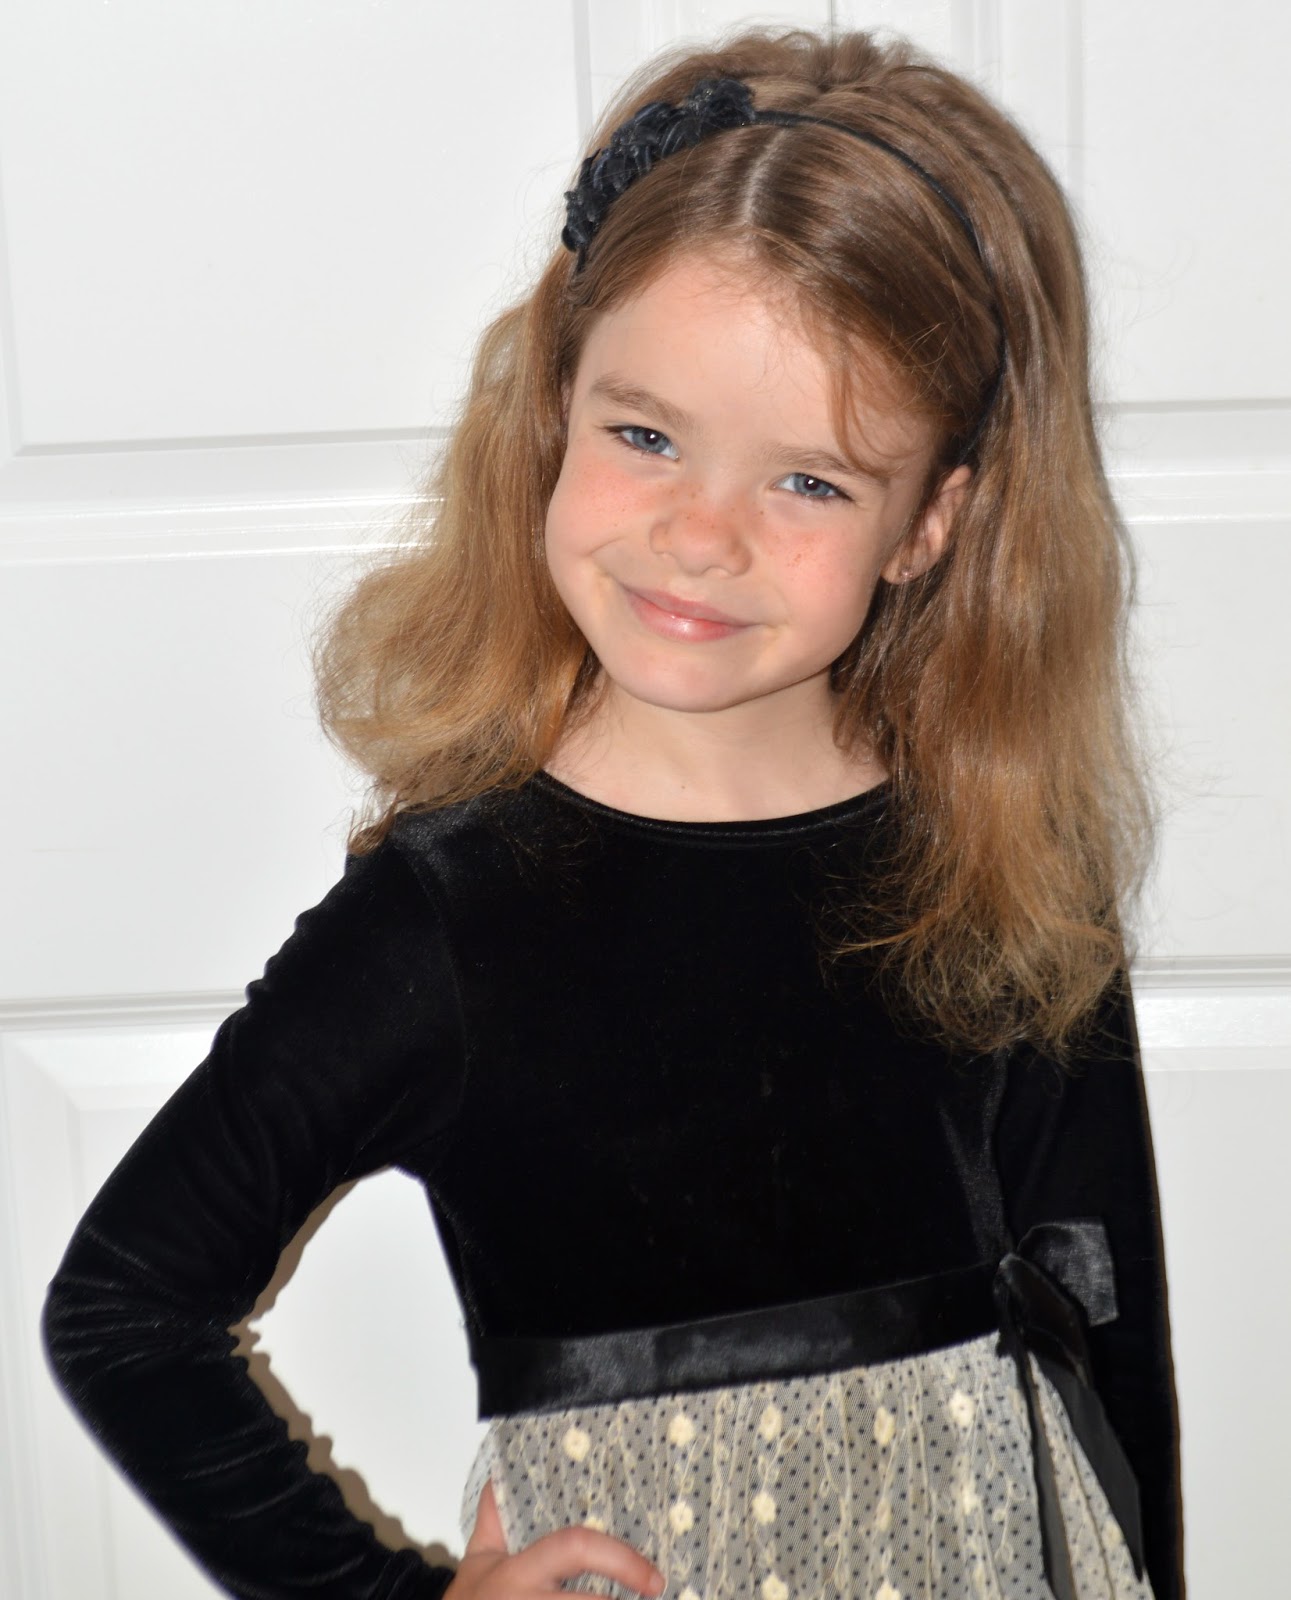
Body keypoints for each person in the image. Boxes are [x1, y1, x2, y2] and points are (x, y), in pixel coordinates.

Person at [41, 25, 1184, 1600]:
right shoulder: (450, 919)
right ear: (554, 412)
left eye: (809, 482)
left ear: (932, 522)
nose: (701, 536)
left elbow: (1107, 1323)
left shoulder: (1002, 860)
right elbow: (123, 1311)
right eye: (646, 437)